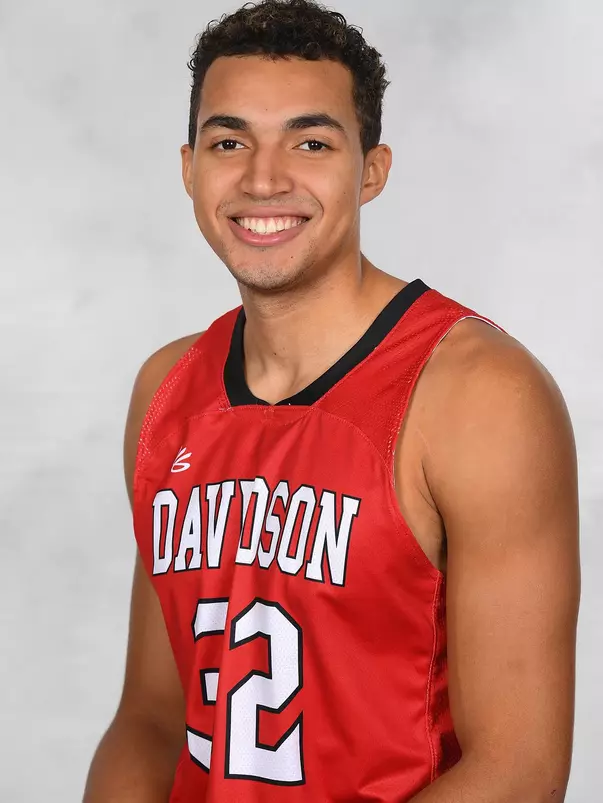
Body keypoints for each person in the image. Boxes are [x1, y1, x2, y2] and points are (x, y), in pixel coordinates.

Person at [83, 1, 580, 801]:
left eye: (310, 142)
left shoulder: (480, 395)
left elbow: (517, 770)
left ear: (371, 169)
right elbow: (150, 717)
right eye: (229, 141)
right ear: (188, 168)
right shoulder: (166, 388)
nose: (263, 177)